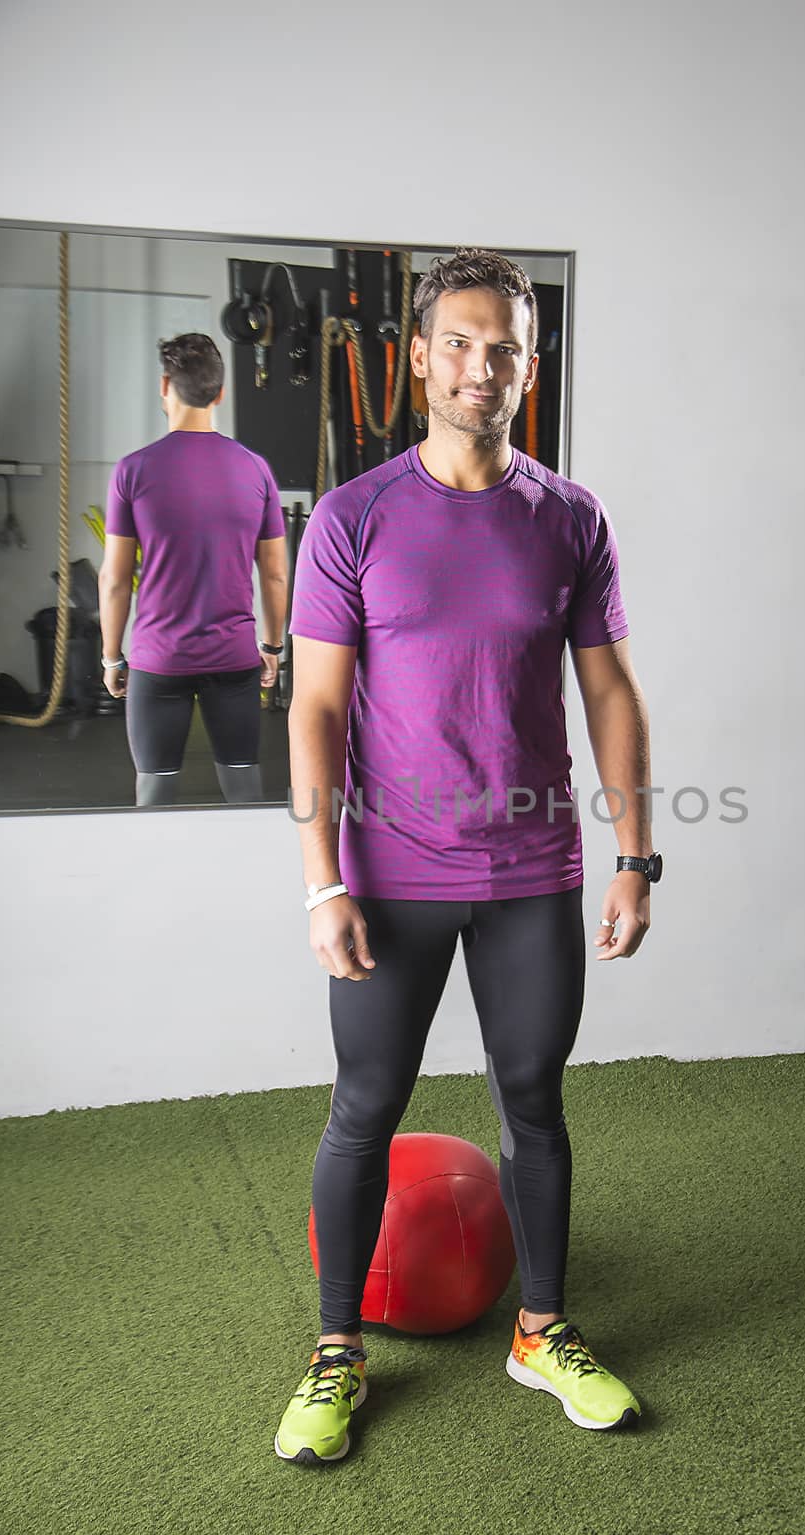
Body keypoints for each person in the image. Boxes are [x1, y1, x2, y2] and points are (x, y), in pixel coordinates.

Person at [277, 248, 662, 1465]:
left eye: (503, 347)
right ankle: (336, 1352)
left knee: (534, 1104)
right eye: (457, 341)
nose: (479, 365)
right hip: (388, 876)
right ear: (417, 355)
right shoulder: (355, 515)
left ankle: (538, 1331)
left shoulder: (570, 516)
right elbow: (317, 712)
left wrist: (634, 856)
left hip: (529, 876)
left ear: (527, 367)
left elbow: (610, 694)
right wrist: (322, 878)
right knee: (363, 1109)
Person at [98, 333, 289, 806]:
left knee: (154, 793)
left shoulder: (132, 470)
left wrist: (111, 658)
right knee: (244, 793)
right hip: (233, 658)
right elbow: (276, 574)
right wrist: (272, 646)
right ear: (219, 393)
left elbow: (115, 579)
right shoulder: (256, 469)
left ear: (166, 385)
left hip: (158, 661)